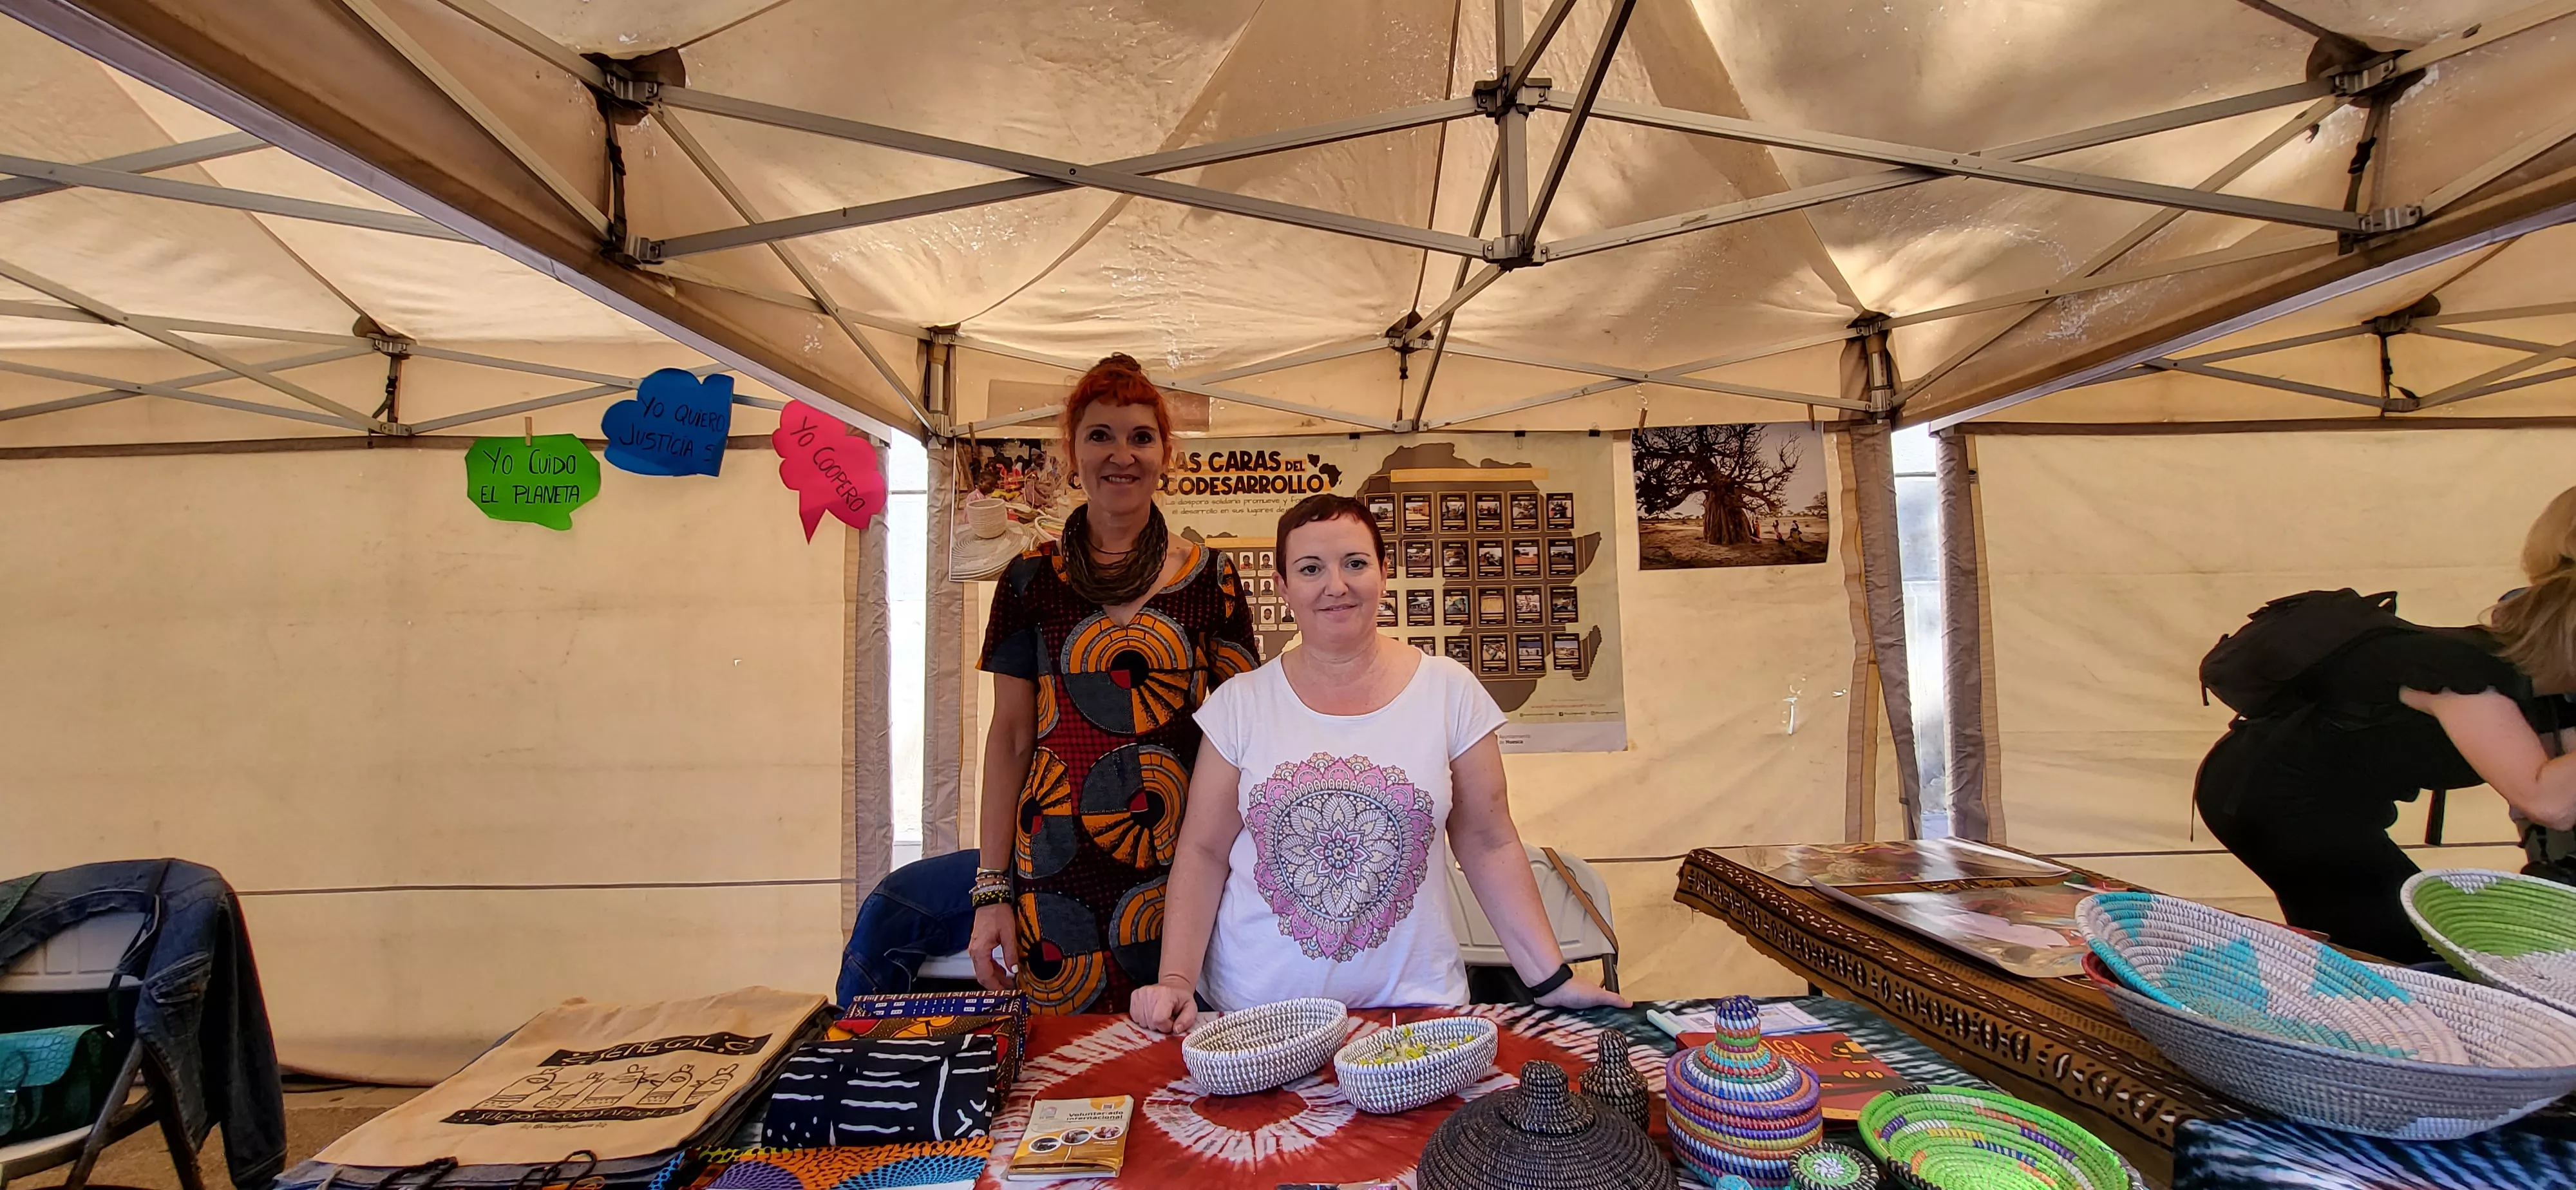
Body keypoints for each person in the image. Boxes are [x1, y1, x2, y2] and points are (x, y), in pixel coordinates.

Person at [1130, 494, 1628, 1032]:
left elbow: (1489, 841)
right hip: (1256, 1016)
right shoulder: (1240, 705)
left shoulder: (1448, 692)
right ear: (1283, 587)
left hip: (1415, 1014)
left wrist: (1551, 980)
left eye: (1355, 563)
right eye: (1311, 569)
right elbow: (1204, 851)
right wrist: (1177, 979)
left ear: (1384, 573)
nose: (1335, 585)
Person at [970, 354, 1260, 1014]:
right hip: (1053, 868)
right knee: (1066, 1070)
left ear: (1165, 454)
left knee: (1189, 1063)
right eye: (1099, 435)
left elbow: (1249, 733)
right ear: (1071, 452)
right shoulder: (1026, 580)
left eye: (1139, 436)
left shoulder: (1211, 578)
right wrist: (992, 891)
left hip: (1184, 864)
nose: (1120, 454)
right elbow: (1011, 738)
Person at [2194, 486, 2576, 963]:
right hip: (2273, 798)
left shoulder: (2533, 691)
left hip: (2312, 797)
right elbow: (2548, 802)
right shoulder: (2464, 677)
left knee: (2376, 938)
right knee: (2402, 954)